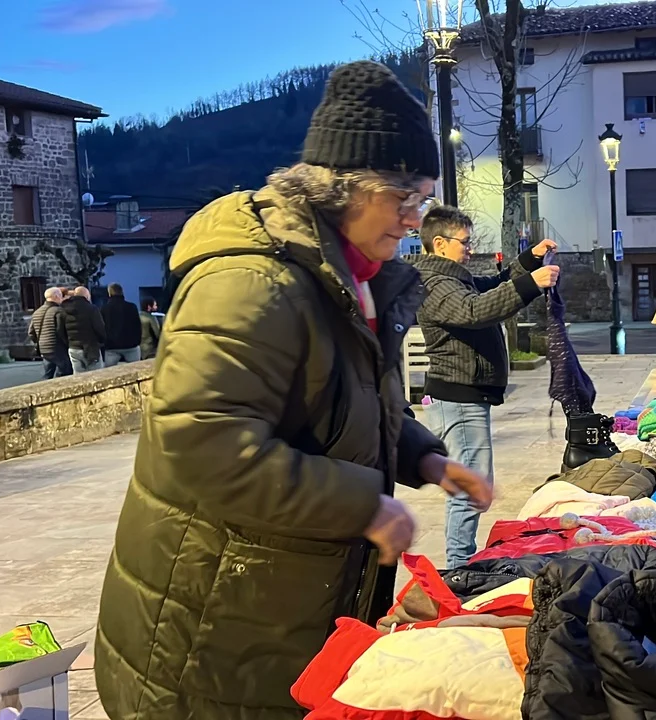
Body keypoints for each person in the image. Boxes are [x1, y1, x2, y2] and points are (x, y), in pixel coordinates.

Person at [95, 61, 492, 720]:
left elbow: (343, 400)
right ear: (346, 186)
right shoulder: (252, 283)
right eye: (405, 198)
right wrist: (363, 506)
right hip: (206, 637)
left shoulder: (350, 275)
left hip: (273, 614)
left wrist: (422, 457)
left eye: (421, 201)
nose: (412, 219)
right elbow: (202, 444)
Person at [412, 205, 559, 569]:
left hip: (464, 395)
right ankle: (459, 567)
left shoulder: (452, 279)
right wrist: (532, 284)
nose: (470, 248)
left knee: (471, 482)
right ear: (440, 244)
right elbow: (475, 310)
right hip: (457, 396)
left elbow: (493, 286)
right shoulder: (435, 284)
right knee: (470, 485)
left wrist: (529, 260)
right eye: (464, 242)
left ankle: (461, 562)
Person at [55, 286, 105, 373]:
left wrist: (68, 343)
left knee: (78, 375)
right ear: (86, 296)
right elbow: (99, 328)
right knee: (96, 375)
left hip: (74, 347)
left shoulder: (62, 309)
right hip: (91, 347)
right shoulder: (92, 309)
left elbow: (60, 330)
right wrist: (101, 341)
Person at [28, 286, 71, 378]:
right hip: (58, 348)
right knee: (64, 373)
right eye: (60, 296)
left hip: (44, 349)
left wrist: (39, 342)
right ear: (56, 296)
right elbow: (61, 331)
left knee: (47, 375)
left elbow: (31, 333)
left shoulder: (37, 312)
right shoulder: (59, 311)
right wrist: (67, 344)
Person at [100, 283, 143, 366]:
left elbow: (101, 327)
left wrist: (105, 343)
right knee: (135, 369)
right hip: (131, 346)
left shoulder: (104, 308)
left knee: (109, 371)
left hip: (111, 347)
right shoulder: (132, 307)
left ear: (109, 293)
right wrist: (137, 341)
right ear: (122, 292)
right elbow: (137, 326)